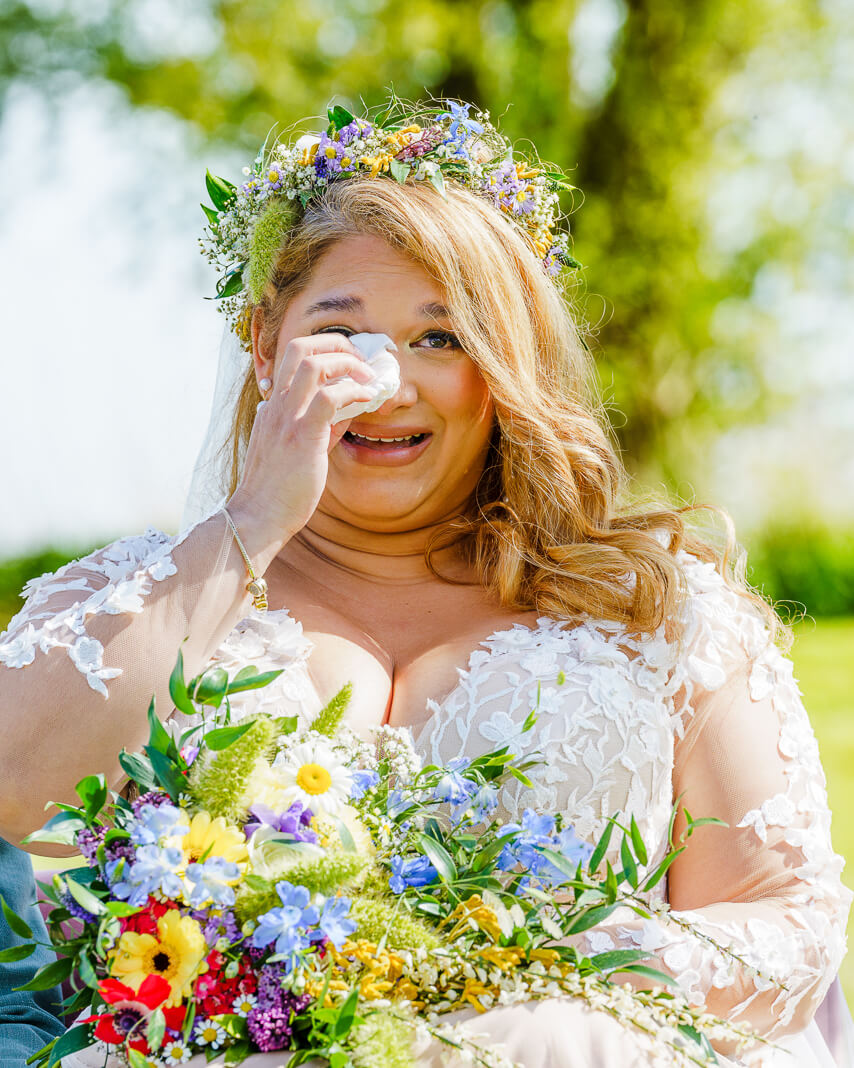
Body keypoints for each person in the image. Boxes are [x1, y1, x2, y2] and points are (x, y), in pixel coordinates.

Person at [0, 98, 851, 1067]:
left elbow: (786, 926)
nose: (388, 383)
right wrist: (252, 523)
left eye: (440, 339)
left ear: (505, 364)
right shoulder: (127, 603)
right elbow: (16, 795)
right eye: (341, 333)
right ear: (266, 345)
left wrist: (529, 993)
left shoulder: (659, 613)